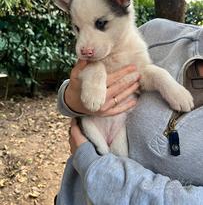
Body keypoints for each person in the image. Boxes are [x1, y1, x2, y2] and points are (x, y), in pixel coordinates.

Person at [55, 18, 203, 205]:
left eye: (100, 23)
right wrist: (72, 99)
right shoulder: (155, 32)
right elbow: (71, 93)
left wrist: (96, 167)